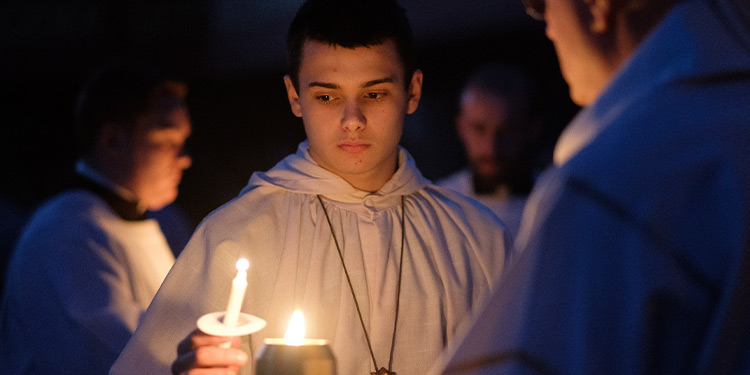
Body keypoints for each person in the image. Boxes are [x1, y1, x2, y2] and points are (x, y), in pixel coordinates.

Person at [110, 1, 510, 374]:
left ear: (413, 91)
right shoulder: (237, 235)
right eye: (326, 96)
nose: (352, 120)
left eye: (374, 93)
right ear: (294, 96)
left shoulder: (477, 239)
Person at [431, 0, 750, 374]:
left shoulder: (612, 181)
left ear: (600, 5)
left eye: (543, 4)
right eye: (479, 129)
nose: (548, 27)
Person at [0, 62, 193, 374]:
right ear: (112, 140)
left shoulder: (136, 224)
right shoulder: (65, 232)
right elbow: (116, 360)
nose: (184, 157)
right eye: (168, 139)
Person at [437, 63, 543, 239]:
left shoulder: (558, 201)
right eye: (479, 129)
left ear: (532, 130)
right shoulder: (439, 206)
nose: (491, 147)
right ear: (461, 127)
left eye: (507, 131)